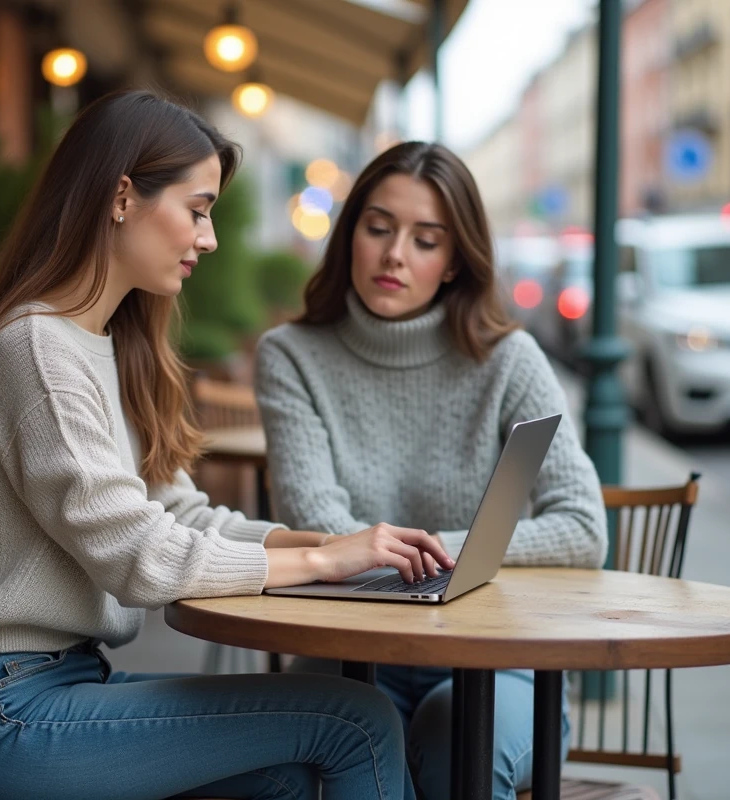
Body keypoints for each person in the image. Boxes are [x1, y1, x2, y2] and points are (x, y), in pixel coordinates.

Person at [0, 90, 452, 800]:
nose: (210, 237)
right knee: (355, 720)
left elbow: (182, 516)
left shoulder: (104, 344)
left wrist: (342, 545)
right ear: (122, 198)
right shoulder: (37, 350)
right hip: (8, 712)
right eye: (198, 209)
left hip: (59, 685)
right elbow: (141, 559)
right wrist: (322, 560)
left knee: (293, 776)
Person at [253, 141, 608, 800]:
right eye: (379, 228)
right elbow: (320, 526)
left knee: (458, 739)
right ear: (350, 234)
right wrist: (439, 561)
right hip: (347, 653)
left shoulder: (511, 361)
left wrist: (440, 551)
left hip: (500, 660)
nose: (395, 255)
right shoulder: (291, 355)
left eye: (426, 240)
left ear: (453, 262)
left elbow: (582, 527)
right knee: (334, 750)